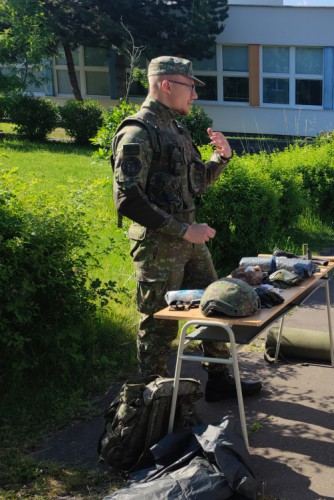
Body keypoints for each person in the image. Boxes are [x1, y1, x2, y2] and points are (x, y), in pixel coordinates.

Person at [111, 56, 261, 402]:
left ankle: (219, 380)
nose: (194, 95)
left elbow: (196, 183)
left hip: (190, 241)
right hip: (159, 247)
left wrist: (220, 159)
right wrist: (183, 231)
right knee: (159, 325)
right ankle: (150, 402)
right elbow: (127, 200)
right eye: (190, 87)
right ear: (167, 85)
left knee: (216, 306)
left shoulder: (176, 130)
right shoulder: (138, 132)